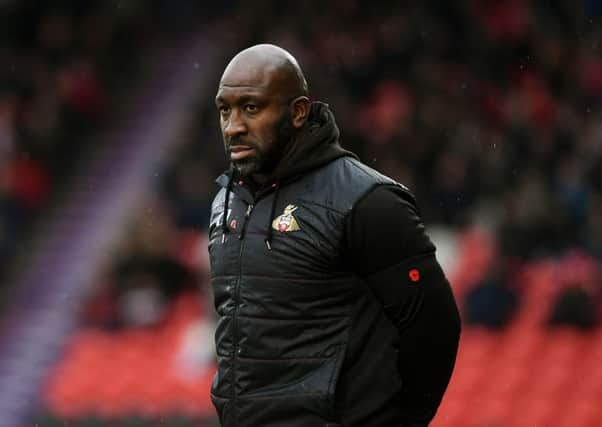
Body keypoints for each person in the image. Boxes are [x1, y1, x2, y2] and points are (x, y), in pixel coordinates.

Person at [208, 44, 461, 427]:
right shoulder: (226, 203)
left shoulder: (366, 202)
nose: (234, 126)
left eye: (252, 107)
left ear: (297, 112)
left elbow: (434, 326)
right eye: (225, 109)